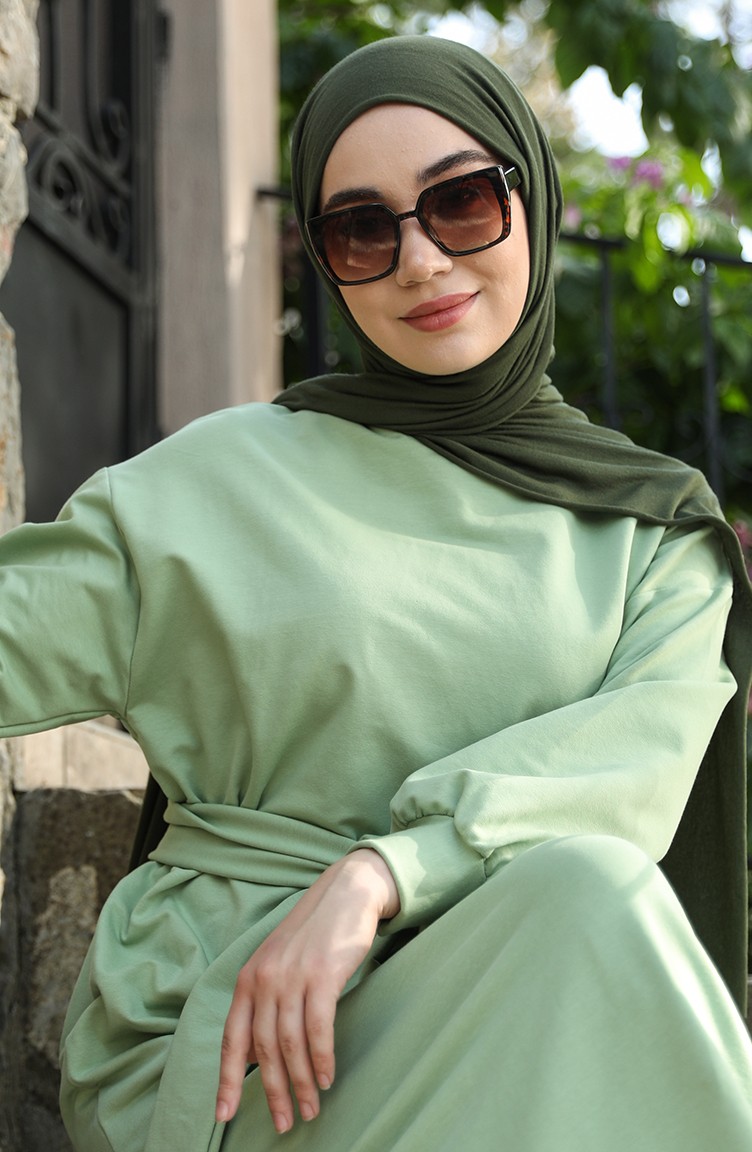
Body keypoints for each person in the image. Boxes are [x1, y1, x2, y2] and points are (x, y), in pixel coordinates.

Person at [0, 33, 751, 1152]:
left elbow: (629, 775)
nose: (420, 261)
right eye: (362, 228)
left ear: (531, 203)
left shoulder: (652, 531)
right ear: (324, 257)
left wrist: (381, 875)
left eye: (461, 202)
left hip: (523, 995)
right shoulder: (214, 483)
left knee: (588, 900)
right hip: (243, 1030)